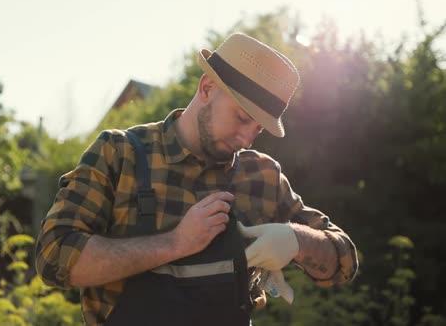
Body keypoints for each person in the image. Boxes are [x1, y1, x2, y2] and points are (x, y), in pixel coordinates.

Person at [35, 33, 359, 325]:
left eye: (258, 129)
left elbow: (343, 264)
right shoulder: (120, 154)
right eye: (242, 118)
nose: (247, 138)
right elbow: (54, 258)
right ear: (206, 88)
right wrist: (175, 243)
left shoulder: (262, 176)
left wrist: (296, 239)